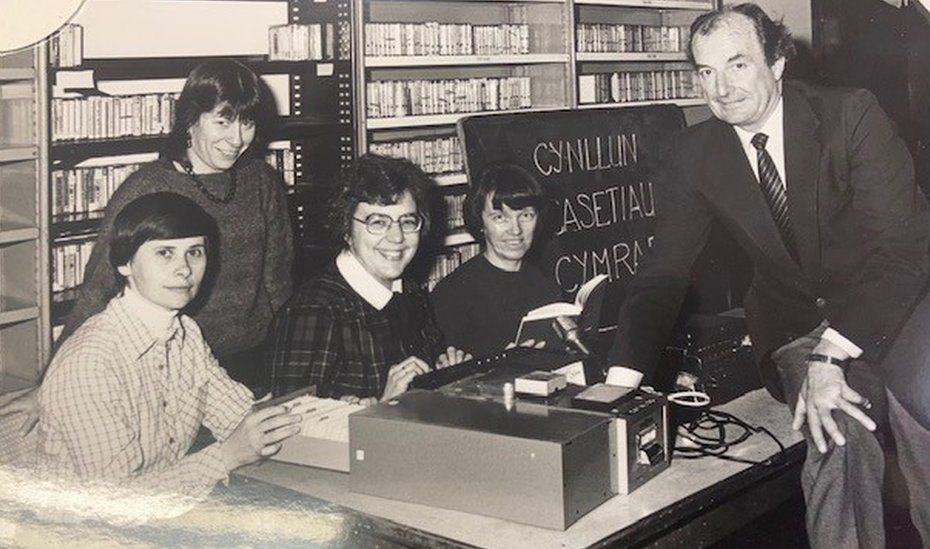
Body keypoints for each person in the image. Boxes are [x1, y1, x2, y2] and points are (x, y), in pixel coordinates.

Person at [608, 4, 930, 548]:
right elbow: (664, 271)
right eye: (705, 72)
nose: (721, 89)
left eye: (736, 65)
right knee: (833, 430)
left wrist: (833, 355)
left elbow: (901, 252)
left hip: (905, 306)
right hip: (800, 318)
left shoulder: (851, 114)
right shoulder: (694, 153)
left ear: (777, 63)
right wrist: (619, 384)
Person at [34, 192, 300, 506]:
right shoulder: (91, 361)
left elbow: (241, 417)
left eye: (195, 253)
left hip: (162, 515)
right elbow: (115, 504)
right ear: (124, 263)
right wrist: (226, 456)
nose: (184, 270)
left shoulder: (185, 333)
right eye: (165, 253)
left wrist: (339, 416)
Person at [59, 58, 294, 392]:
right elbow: (98, 290)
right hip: (169, 366)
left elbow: (278, 281)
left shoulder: (262, 180)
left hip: (254, 362)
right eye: (223, 122)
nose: (237, 138)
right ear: (191, 119)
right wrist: (53, 377)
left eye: (247, 123)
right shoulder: (147, 187)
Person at [267, 154, 470, 404]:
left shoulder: (411, 292)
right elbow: (291, 432)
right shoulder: (314, 310)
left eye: (407, 221)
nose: (396, 237)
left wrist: (448, 375)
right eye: (378, 222)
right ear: (346, 228)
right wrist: (386, 404)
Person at [430, 164, 561, 357]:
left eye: (526, 215)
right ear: (480, 223)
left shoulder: (546, 286)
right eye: (500, 217)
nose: (515, 230)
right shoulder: (452, 293)